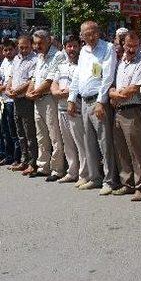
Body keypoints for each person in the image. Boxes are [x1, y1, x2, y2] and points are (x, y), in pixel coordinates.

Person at [68, 21, 119, 195]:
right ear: (81, 35)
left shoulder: (108, 48)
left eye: (93, 32)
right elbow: (77, 76)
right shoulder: (83, 51)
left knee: (105, 142)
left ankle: (110, 180)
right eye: (86, 34)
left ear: (99, 32)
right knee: (88, 142)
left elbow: (108, 76)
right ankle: (95, 178)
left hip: (99, 102)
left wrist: (100, 101)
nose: (90, 36)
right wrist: (71, 98)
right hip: (84, 101)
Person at [109, 30, 141, 201]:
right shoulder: (120, 62)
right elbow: (112, 85)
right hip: (119, 111)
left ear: (140, 45)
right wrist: (112, 93)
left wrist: (115, 96)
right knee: (121, 150)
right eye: (128, 45)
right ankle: (127, 184)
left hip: (133, 110)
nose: (131, 49)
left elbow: (134, 88)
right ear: (123, 45)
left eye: (135, 46)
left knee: (137, 151)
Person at [27, 29, 65, 180]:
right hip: (38, 99)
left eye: (40, 43)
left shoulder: (58, 55)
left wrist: (34, 93)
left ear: (49, 40)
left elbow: (50, 80)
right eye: (35, 43)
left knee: (54, 135)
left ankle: (57, 169)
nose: (37, 46)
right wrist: (30, 91)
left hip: (49, 99)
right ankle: (43, 166)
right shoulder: (40, 56)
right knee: (41, 135)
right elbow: (34, 78)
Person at [50, 34, 85, 184]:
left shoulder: (83, 65)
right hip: (61, 108)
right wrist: (56, 91)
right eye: (69, 46)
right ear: (64, 48)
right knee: (68, 143)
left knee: (81, 144)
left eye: (74, 46)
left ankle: (84, 174)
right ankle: (72, 172)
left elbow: (81, 85)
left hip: (76, 109)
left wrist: (68, 91)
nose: (72, 49)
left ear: (79, 47)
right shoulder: (61, 65)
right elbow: (54, 83)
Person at [6, 36, 38, 175]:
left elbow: (31, 81)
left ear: (31, 45)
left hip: (26, 100)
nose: (23, 50)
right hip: (15, 99)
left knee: (29, 132)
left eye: (25, 47)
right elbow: (11, 77)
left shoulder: (34, 60)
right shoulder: (16, 59)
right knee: (20, 132)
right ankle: (24, 160)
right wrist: (8, 89)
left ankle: (33, 162)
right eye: (20, 47)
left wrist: (17, 90)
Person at [0, 39, 20, 166]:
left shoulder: (17, 61)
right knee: (5, 130)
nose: (8, 52)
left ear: (15, 49)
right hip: (4, 100)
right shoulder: (5, 61)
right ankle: (8, 155)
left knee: (14, 132)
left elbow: (11, 79)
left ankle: (17, 157)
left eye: (10, 50)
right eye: (5, 50)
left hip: (12, 100)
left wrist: (2, 88)